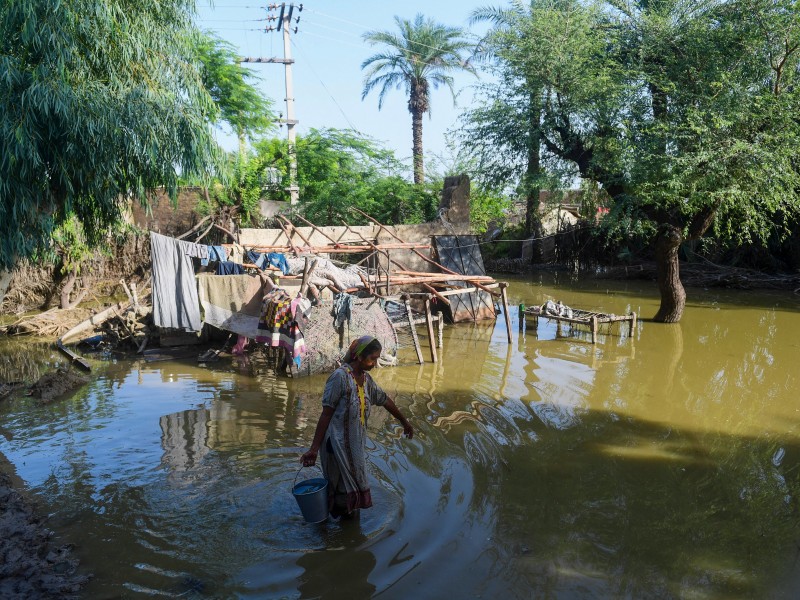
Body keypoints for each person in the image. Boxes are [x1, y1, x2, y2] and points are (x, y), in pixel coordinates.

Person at [300, 335, 413, 519]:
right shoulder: (340, 378)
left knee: (352, 494)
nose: (375, 364)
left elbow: (385, 400)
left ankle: (342, 534)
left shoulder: (366, 380)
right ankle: (333, 535)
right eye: (373, 359)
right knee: (339, 492)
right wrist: (313, 449)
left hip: (354, 447)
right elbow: (326, 414)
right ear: (359, 357)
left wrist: (405, 422)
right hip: (335, 447)